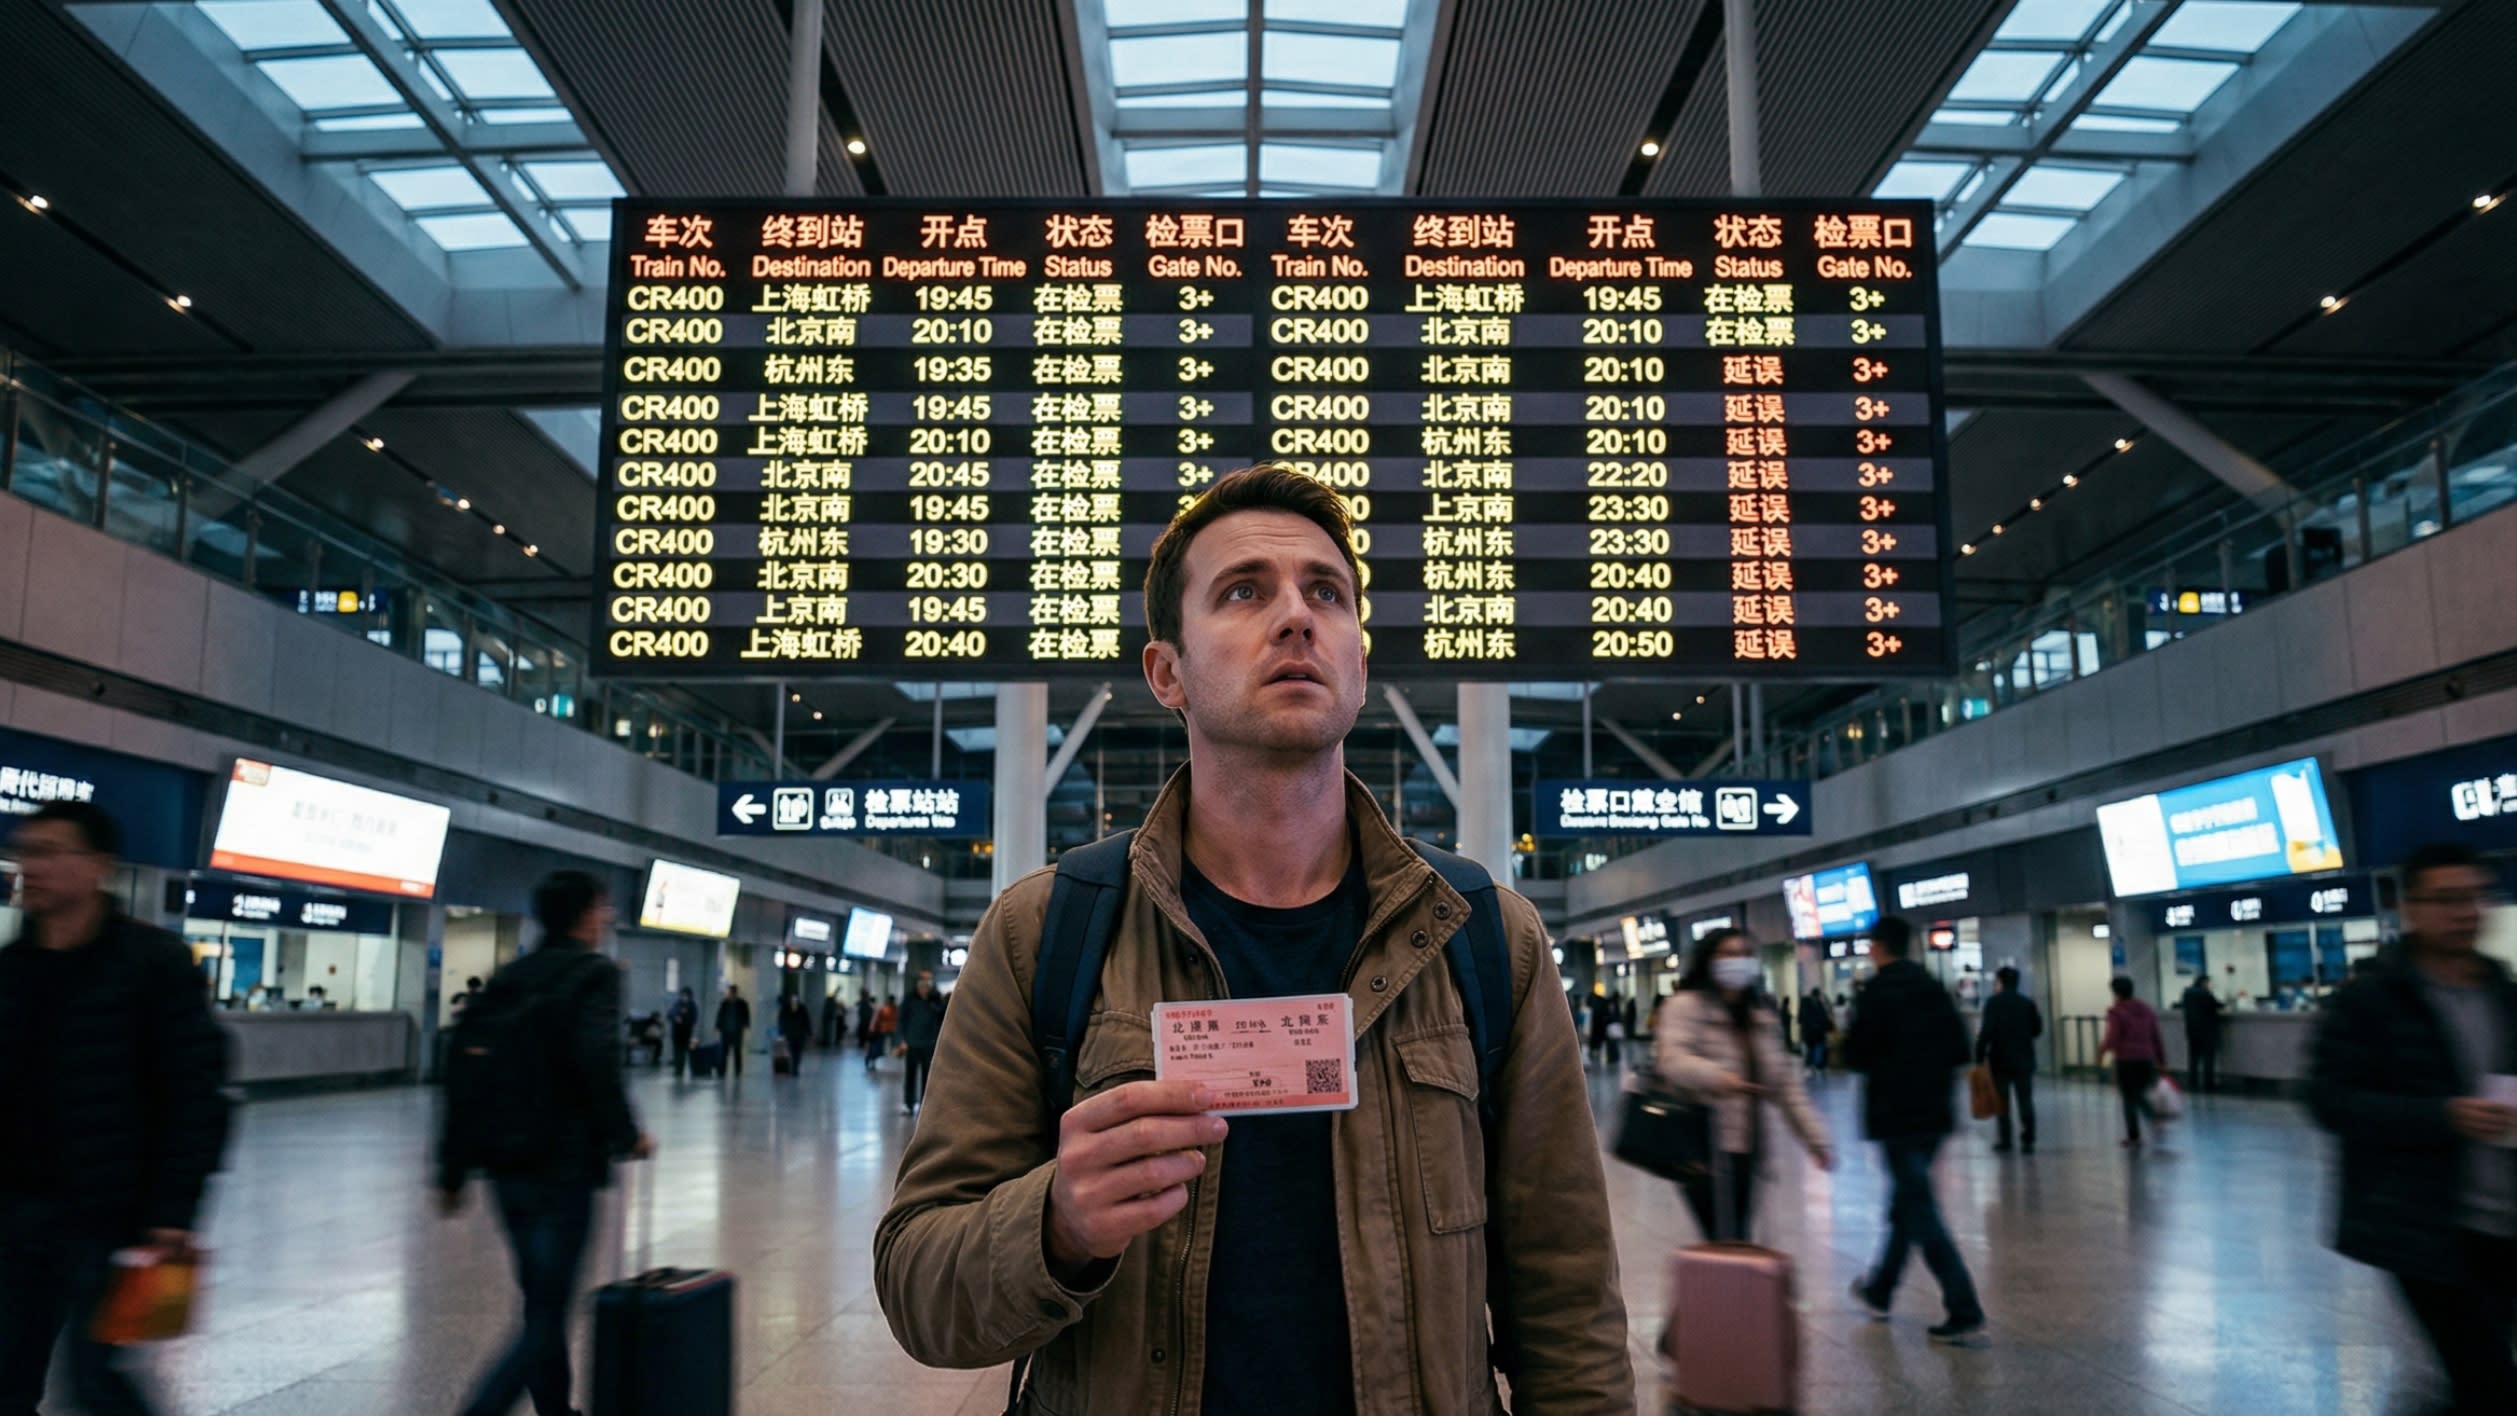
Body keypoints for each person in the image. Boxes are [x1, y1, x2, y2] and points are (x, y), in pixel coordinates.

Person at [876, 466, 1632, 1411]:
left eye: (1327, 592)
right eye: (1243, 592)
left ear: (1359, 659)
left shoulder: (1483, 941)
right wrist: (1057, 1223)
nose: (1295, 617)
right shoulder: (1045, 934)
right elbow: (917, 1285)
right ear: (1168, 673)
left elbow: (1569, 1312)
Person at [0, 802, 231, 1416]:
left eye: (51, 851)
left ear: (98, 866)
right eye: (26, 851)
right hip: (16, 1215)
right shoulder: (11, 970)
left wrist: (172, 1213)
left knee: (96, 1382)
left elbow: (195, 1096)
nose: (32, 867)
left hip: (110, 1218)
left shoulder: (153, 966)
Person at [2309, 842, 2517, 1414]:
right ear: (2411, 909)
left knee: (2480, 1372)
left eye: (2475, 897)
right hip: (2424, 1227)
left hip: (2507, 1221)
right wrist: (2443, 1116)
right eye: (2447, 899)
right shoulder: (2372, 999)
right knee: (2486, 1376)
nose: (2464, 912)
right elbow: (2328, 1100)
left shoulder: (2503, 991)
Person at [438, 869, 652, 1416]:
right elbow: (596, 1059)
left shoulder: (512, 976)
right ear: (584, 915)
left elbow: (461, 1073)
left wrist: (452, 1168)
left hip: (508, 1169)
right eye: (603, 909)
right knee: (547, 1312)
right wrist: (628, 1134)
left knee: (541, 1299)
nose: (607, 919)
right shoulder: (592, 975)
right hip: (564, 1165)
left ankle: (556, 1411)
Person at [1843, 915, 1987, 1347]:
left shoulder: (1877, 992)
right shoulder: (1932, 988)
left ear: (1877, 946)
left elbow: (1855, 1054)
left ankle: (1963, 1307)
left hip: (1895, 1116)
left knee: (1919, 1209)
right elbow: (1961, 1047)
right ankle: (1880, 1288)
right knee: (1907, 1202)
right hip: (1933, 1116)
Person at [1652, 929, 1832, 1240]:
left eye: (1745, 954)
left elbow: (1784, 1084)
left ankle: (1728, 1286)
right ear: (1709, 960)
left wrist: (1816, 1138)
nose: (1739, 962)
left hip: (1748, 1147)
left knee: (1736, 1238)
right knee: (1727, 1239)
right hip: (1702, 1149)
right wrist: (1719, 1078)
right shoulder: (1685, 1007)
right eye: (1729, 954)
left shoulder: (1759, 1015)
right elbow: (1671, 1061)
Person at [1975, 966, 2043, 1154]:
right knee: (2026, 1100)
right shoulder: (2027, 1003)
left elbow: (1986, 1032)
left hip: (2000, 1060)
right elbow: (2037, 1030)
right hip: (2024, 1059)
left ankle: (2006, 1140)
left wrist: (1979, 1056)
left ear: (2001, 981)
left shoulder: (1993, 1003)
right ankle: (2028, 1138)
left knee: (2002, 1102)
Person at [2098, 977, 2167, 1150]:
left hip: (2126, 1059)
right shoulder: (2146, 1009)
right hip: (2147, 1058)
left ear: (2115, 992)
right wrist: (2161, 1059)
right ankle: (2153, 1118)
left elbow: (2113, 1037)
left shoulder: (2116, 1011)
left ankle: (2135, 1135)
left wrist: (2102, 1051)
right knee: (2139, 1093)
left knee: (2129, 1097)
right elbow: (2155, 1036)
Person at [895, 969, 949, 1115]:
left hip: (929, 1044)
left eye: (929, 980)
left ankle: (925, 1106)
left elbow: (943, 1019)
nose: (926, 984)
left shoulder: (936, 999)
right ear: (918, 982)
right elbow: (901, 1021)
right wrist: (901, 1040)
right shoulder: (909, 999)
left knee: (928, 1077)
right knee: (910, 1075)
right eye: (923, 980)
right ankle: (908, 1103)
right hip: (912, 1044)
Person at [2180, 975, 2225, 1093]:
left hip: (2192, 1030)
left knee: (2193, 1058)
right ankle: (2208, 1083)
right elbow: (2217, 1005)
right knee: (2208, 1058)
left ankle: (2193, 1082)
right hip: (2207, 1030)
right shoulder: (2205, 993)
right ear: (2204, 982)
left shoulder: (2187, 993)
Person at [716, 983, 751, 1078]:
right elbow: (720, 1015)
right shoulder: (725, 1003)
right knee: (724, 1052)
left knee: (737, 1052)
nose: (731, 994)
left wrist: (746, 1024)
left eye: (732, 992)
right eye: (730, 992)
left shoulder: (742, 1003)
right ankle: (722, 1072)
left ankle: (737, 1071)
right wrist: (718, 1026)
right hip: (726, 1031)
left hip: (737, 1031)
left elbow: (746, 1015)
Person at [1802, 986, 1836, 1073]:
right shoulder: (1811, 1004)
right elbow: (1822, 1017)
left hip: (1814, 1032)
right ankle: (1815, 1065)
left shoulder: (1808, 1003)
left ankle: (1814, 1065)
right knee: (1815, 1047)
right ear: (1817, 995)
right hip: (1814, 1032)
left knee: (1814, 1048)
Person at [667, 985, 699, 1078]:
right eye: (683, 995)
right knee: (677, 1051)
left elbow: (694, 1018)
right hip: (676, 1032)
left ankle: (682, 1069)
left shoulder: (692, 1005)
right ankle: (678, 1070)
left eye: (686, 995)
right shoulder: (677, 1004)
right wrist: (675, 1017)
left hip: (687, 1032)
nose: (685, 997)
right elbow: (669, 1014)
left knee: (684, 1051)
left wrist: (685, 1018)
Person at [778, 993, 813, 1076]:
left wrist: (809, 1032)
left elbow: (806, 1020)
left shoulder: (801, 1008)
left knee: (797, 1052)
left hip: (799, 1034)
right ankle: (794, 1068)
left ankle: (795, 1068)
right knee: (793, 1051)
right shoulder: (786, 1008)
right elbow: (782, 1020)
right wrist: (781, 1031)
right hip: (791, 1034)